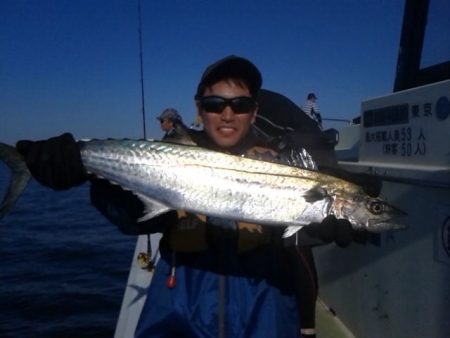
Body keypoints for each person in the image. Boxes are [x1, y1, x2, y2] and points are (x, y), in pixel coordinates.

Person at [16, 55, 367, 338]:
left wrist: (322, 229)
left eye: (240, 104)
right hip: (178, 314)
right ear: (199, 108)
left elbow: (297, 240)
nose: (227, 114)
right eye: (215, 104)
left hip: (264, 315)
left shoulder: (282, 164)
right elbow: (129, 214)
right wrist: (79, 169)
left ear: (254, 111)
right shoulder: (172, 158)